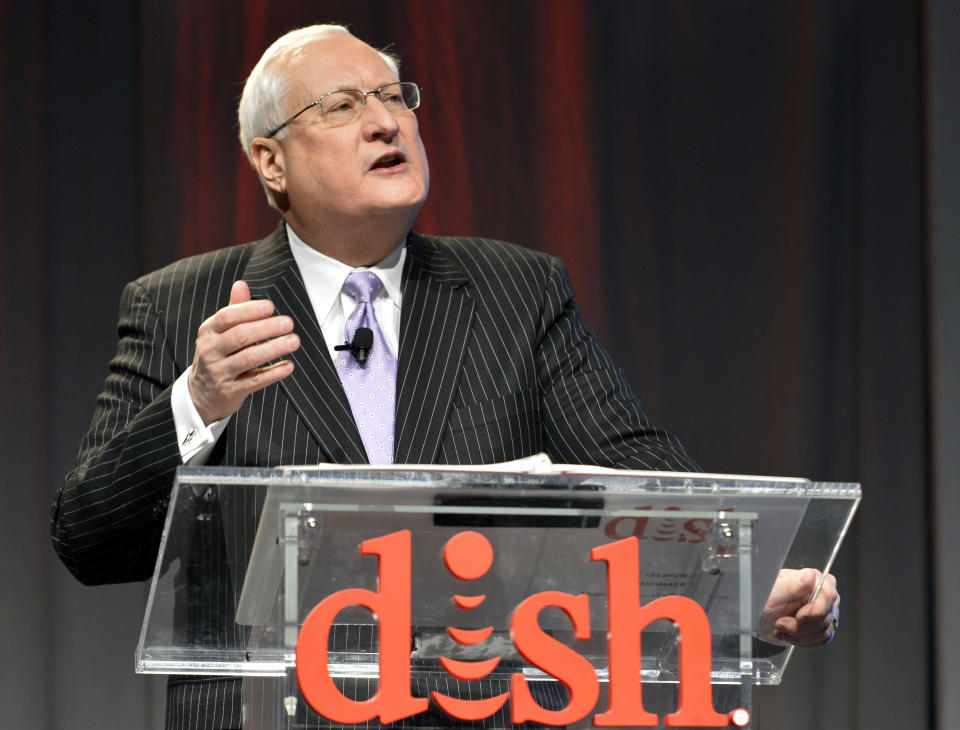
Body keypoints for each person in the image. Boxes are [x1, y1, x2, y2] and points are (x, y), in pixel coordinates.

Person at [52, 23, 839, 729]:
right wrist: (198, 401)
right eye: (341, 106)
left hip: (482, 711)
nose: (386, 120)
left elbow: (635, 464)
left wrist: (745, 579)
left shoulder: (515, 291)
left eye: (396, 97)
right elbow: (89, 540)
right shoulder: (181, 306)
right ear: (271, 161)